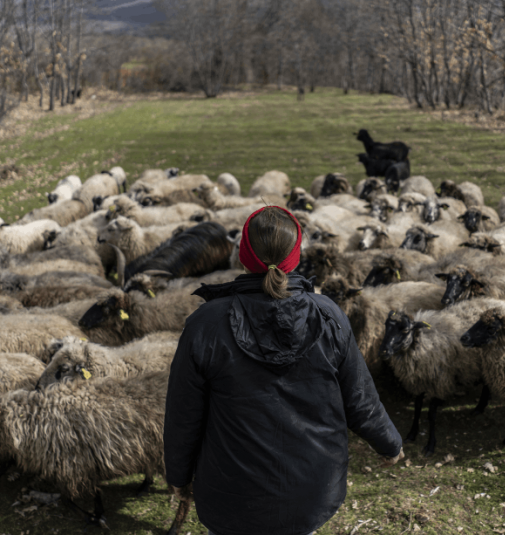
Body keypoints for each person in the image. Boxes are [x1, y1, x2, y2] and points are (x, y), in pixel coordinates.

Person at [164, 206, 404, 535]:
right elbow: (359, 396)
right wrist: (389, 443)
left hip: (233, 495)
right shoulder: (328, 315)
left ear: (243, 256)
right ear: (295, 257)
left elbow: (183, 412)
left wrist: (178, 476)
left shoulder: (207, 324)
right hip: (313, 488)